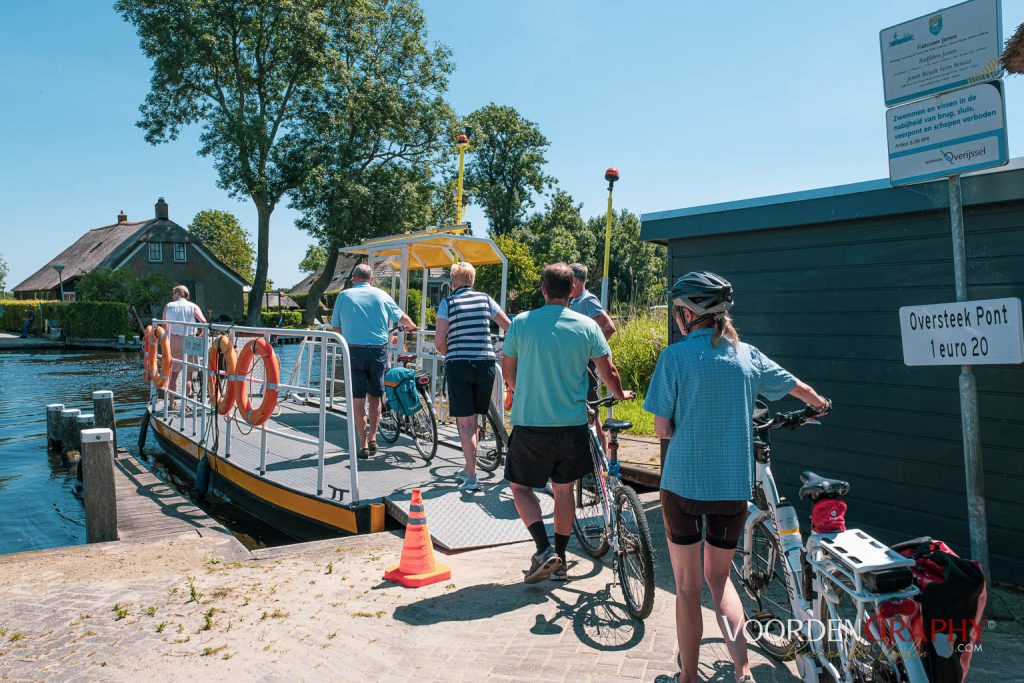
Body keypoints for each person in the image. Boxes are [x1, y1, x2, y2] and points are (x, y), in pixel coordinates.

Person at [644, 271, 830, 683]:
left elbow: (661, 428)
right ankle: (744, 671)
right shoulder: (748, 355)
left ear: (687, 314)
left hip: (682, 487)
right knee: (720, 579)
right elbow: (796, 387)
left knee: (688, 586)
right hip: (731, 487)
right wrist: (820, 404)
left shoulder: (675, 357)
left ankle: (688, 677)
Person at [502, 263, 633, 584]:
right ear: (572, 292)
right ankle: (560, 560)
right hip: (573, 426)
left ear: (544, 289)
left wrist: (522, 391)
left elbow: (508, 373)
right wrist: (621, 393)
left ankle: (544, 548)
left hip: (531, 424)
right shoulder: (587, 325)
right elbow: (609, 371)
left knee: (520, 487)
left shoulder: (521, 323)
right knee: (563, 491)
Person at [433, 262, 510, 492]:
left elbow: (438, 341)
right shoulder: (486, 299)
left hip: (460, 365)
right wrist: (507, 349)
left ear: (453, 282)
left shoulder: (448, 303)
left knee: (465, 424)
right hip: (486, 364)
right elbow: (509, 325)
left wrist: (451, 352)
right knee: (474, 420)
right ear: (473, 280)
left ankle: (472, 475)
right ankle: (469, 469)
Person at [332, 263, 416, 459]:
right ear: (371, 279)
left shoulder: (344, 296)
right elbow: (402, 317)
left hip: (353, 351)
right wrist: (411, 327)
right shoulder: (381, 294)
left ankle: (362, 445)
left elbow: (336, 328)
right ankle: (372, 438)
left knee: (358, 400)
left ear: (354, 278)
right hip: (378, 352)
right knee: (375, 397)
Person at [568, 263, 616, 455]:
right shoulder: (573, 302)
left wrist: (592, 352)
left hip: (587, 365)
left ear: (575, 281)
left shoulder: (588, 300)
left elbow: (609, 327)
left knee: (593, 413)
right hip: (575, 365)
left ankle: (602, 464)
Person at [162, 285, 207, 410]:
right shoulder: (193, 306)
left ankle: (171, 403)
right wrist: (200, 336)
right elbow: (203, 322)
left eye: (173, 294)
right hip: (190, 339)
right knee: (188, 376)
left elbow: (163, 325)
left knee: (173, 375)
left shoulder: (169, 306)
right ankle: (185, 404)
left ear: (176, 293)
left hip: (173, 340)